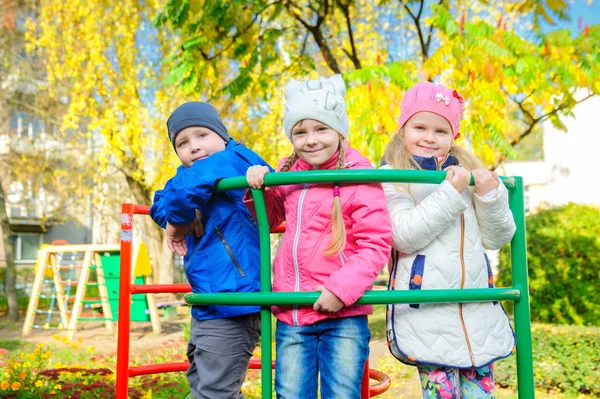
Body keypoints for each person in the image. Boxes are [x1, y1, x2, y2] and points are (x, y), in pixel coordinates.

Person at [245, 74, 392, 399]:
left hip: (342, 313)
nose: (311, 140)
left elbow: (375, 244)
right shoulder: (288, 173)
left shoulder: (358, 176)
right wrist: (259, 188)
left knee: (341, 394)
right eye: (300, 132)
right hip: (293, 310)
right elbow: (268, 221)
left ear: (339, 130)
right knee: (291, 394)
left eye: (321, 129)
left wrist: (341, 290)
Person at [382, 82, 516, 398]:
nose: (429, 136)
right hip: (427, 311)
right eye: (420, 127)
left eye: (441, 130)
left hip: (477, 309)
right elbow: (403, 235)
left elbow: (498, 237)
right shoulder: (394, 175)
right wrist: (449, 192)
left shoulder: (467, 174)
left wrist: (489, 196)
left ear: (453, 136)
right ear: (403, 129)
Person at [149, 102, 272, 399]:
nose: (193, 147)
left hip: (234, 300)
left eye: (202, 135)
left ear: (222, 135)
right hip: (209, 300)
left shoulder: (234, 159)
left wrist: (179, 221)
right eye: (182, 142)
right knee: (204, 386)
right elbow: (159, 201)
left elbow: (179, 193)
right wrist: (181, 216)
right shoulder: (187, 176)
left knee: (214, 392)